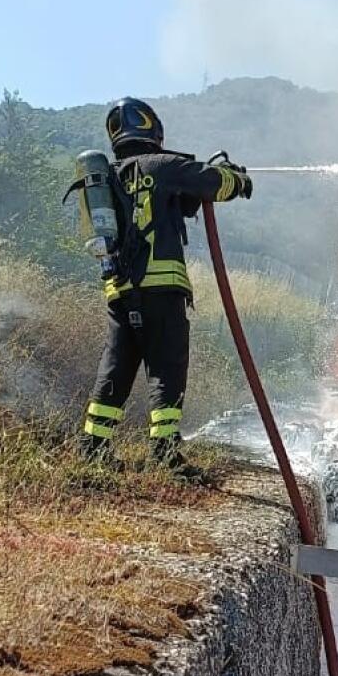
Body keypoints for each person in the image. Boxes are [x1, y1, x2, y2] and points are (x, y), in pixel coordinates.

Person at [81, 97, 252, 468]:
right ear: (152, 130)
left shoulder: (110, 177)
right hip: (162, 287)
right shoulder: (165, 165)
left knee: (116, 367)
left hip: (120, 292)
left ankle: (93, 450)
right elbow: (213, 184)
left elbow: (178, 203)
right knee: (166, 368)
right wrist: (236, 179)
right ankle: (164, 453)